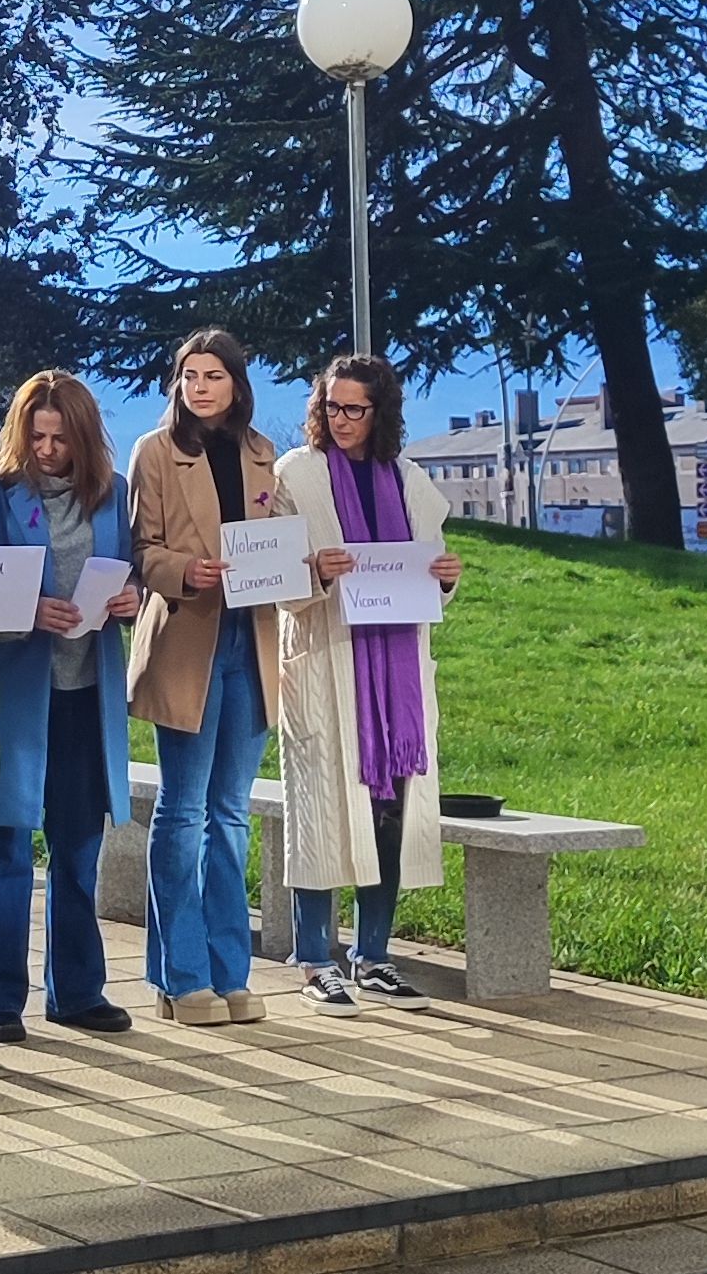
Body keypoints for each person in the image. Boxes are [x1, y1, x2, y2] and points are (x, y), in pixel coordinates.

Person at [274, 354, 462, 1016]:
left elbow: (430, 571)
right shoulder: (295, 475)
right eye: (332, 407)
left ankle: (375, 954)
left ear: (380, 412)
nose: (343, 420)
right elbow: (274, 579)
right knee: (322, 811)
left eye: (356, 409)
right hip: (327, 663)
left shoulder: (410, 483)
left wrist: (444, 576)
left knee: (390, 807)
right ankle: (315, 958)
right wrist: (314, 570)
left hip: (397, 674)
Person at [0, 371, 140, 1043]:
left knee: (77, 847)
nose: (45, 448)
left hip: (86, 696)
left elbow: (135, 572)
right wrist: (26, 607)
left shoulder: (113, 495)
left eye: (59, 437)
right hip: (17, 691)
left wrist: (133, 600)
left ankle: (76, 989)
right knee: (5, 844)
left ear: (83, 437)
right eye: (35, 435)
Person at [125, 328, 280, 1027]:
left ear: (237, 385)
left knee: (231, 815)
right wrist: (185, 570)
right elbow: (142, 551)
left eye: (213, 374)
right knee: (183, 812)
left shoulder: (261, 454)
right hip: (187, 640)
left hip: (253, 641)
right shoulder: (155, 452)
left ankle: (230, 969)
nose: (200, 386)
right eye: (190, 374)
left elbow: (282, 542)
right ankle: (178, 973)